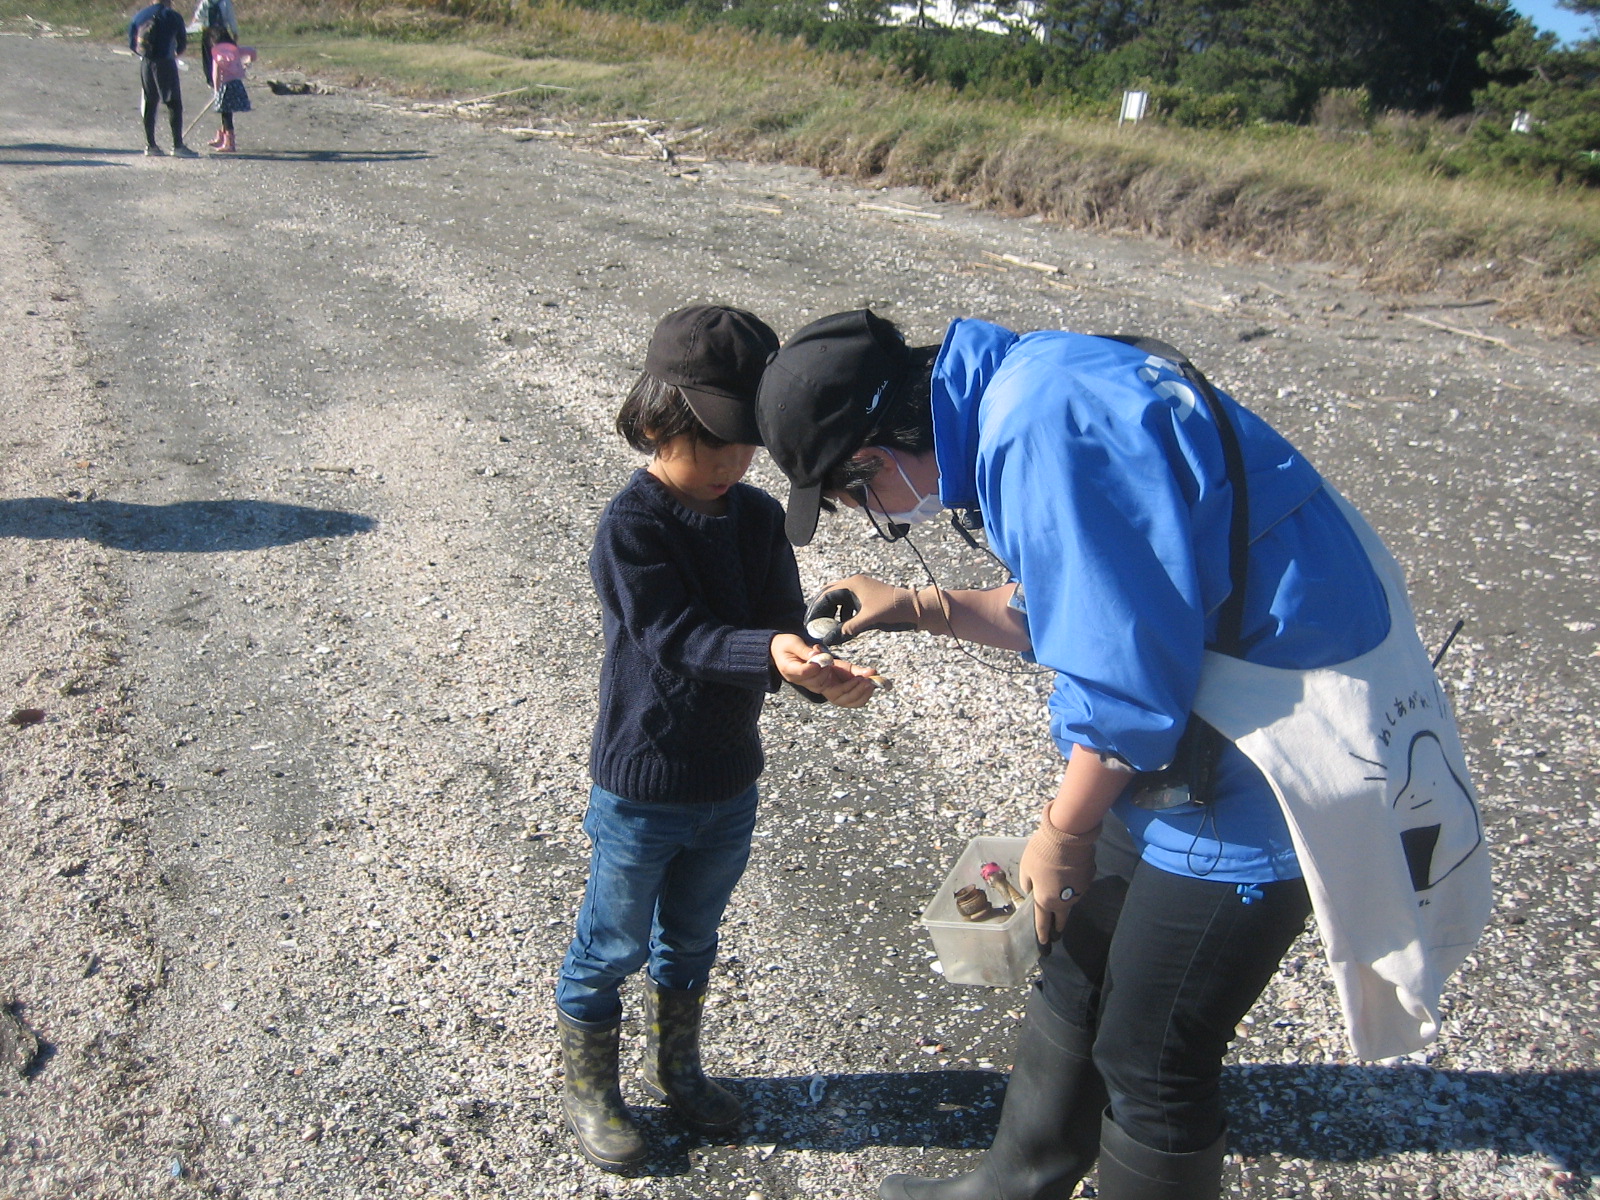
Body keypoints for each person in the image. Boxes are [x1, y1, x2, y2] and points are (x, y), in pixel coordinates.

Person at [755, 311, 1411, 1200]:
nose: (872, 518)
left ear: (875, 454)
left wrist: (1064, 829)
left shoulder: (1044, 429)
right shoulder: (1027, 388)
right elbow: (1090, 602)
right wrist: (919, 603)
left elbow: (1128, 687)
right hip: (1188, 733)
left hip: (1267, 764)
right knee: (1074, 965)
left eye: (853, 499)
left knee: (1152, 1055)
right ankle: (1018, 1181)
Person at [555, 305, 884, 1173]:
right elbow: (681, 638)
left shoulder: (757, 516)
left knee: (692, 938)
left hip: (728, 781)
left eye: (748, 445)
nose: (733, 464)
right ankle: (592, 1091)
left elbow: (778, 629)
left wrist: (818, 674)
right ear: (657, 418)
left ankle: (681, 1072)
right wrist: (770, 653)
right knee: (612, 941)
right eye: (713, 442)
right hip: (641, 784)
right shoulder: (632, 527)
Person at [128, 0, 196, 157]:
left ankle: (150, 145)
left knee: (150, 102)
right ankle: (177, 145)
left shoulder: (139, 16)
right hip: (165, 61)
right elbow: (181, 44)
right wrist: (174, 53)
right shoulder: (173, 16)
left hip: (146, 62)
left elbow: (132, 44)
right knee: (173, 102)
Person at [206, 32, 254, 153]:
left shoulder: (218, 55)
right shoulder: (235, 50)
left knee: (225, 114)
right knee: (226, 113)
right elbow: (253, 51)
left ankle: (229, 143)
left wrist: (216, 90)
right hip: (237, 84)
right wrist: (248, 62)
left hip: (225, 86)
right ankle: (222, 137)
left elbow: (216, 74)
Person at [188, 0, 238, 89]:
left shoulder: (205, 2)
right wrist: (234, 32)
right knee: (225, 56)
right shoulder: (226, 2)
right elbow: (231, 17)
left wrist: (191, 26)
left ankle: (211, 80)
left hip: (208, 33)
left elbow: (198, 16)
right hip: (222, 32)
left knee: (208, 57)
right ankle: (225, 76)